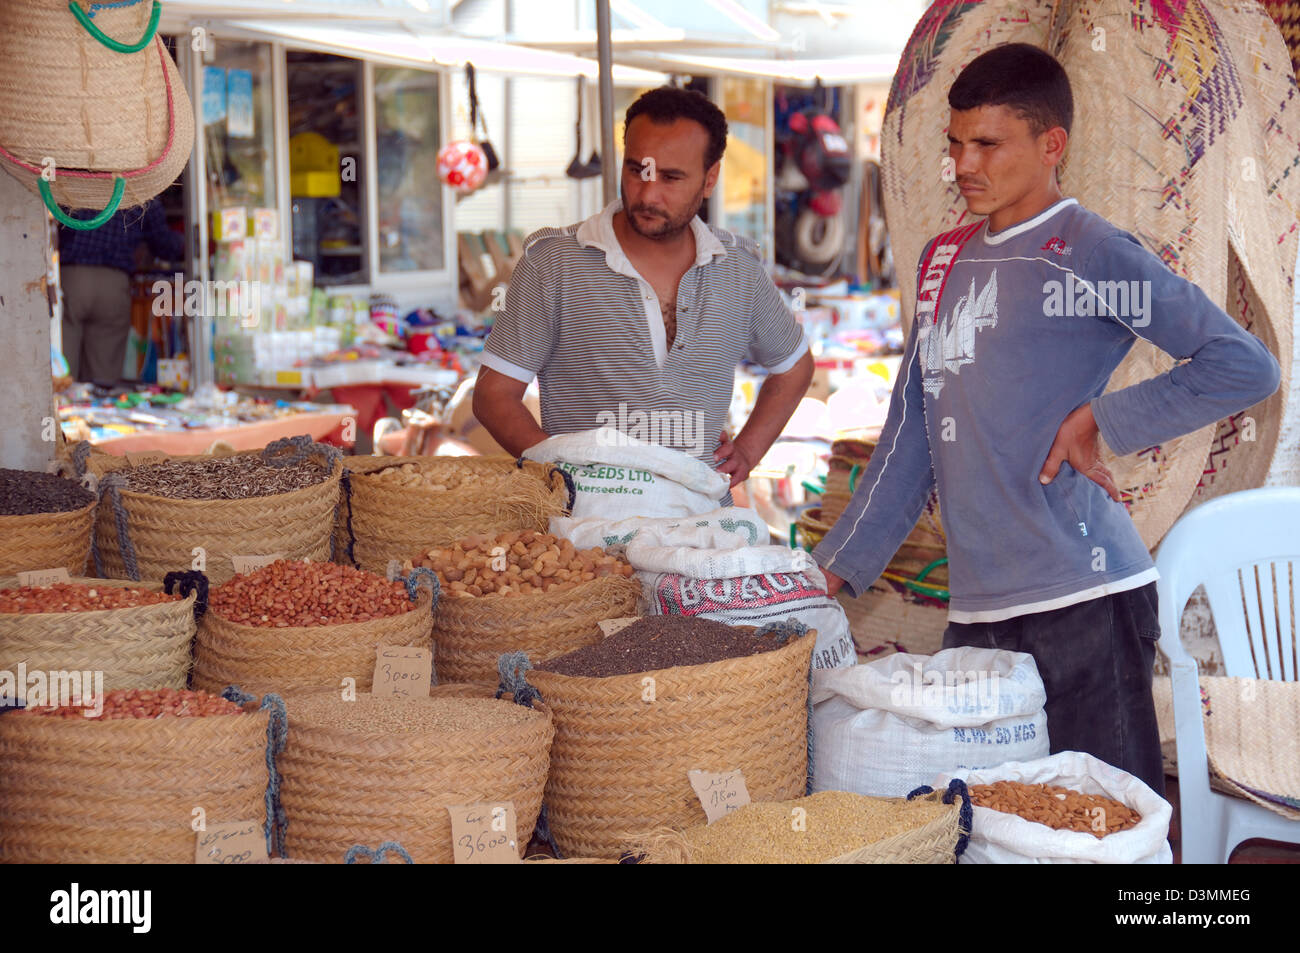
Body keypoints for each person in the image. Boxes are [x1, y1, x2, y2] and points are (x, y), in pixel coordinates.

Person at [813, 44, 1281, 796]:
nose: (964, 164)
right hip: (976, 612)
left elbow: (1243, 364)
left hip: (1085, 600)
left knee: (1106, 824)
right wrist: (834, 567)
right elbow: (910, 430)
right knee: (995, 828)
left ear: (1051, 144)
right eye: (955, 144)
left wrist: (1102, 417)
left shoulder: (1088, 252)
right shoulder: (942, 260)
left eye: (988, 144)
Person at [473, 86, 814, 493]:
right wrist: (557, 473)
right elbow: (495, 395)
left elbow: (794, 367)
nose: (648, 194)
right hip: (582, 535)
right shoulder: (554, 262)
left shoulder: (737, 267)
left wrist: (749, 448)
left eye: (671, 177)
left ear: (710, 179)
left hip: (700, 526)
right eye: (637, 170)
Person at [59, 198, 184, 384]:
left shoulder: (71, 186)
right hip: (114, 283)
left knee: (62, 371)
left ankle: (61, 408)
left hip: (70, 279)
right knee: (103, 378)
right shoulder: (140, 192)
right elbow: (164, 244)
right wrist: (192, 238)